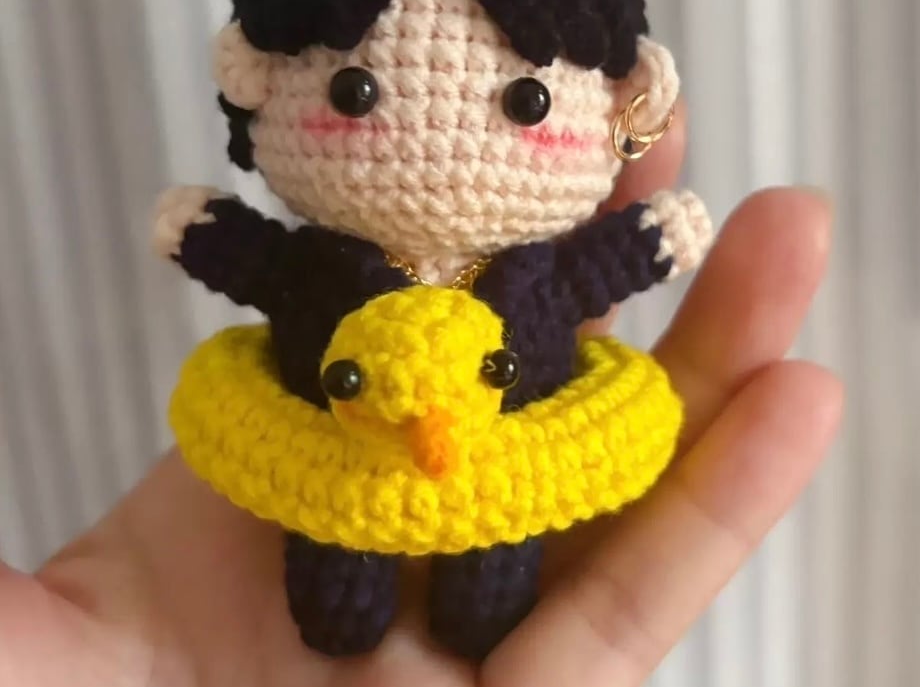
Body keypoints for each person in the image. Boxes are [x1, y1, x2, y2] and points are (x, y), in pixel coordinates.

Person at [0, 115, 842, 686]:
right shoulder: (323, 274)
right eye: (356, 93)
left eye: (522, 101)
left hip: (506, 487)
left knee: (491, 588)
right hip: (331, 482)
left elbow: (591, 271)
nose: (436, 134)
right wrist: (211, 235)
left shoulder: (532, 279)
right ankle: (348, 604)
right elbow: (267, 266)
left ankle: (478, 609)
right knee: (335, 588)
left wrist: (651, 238)